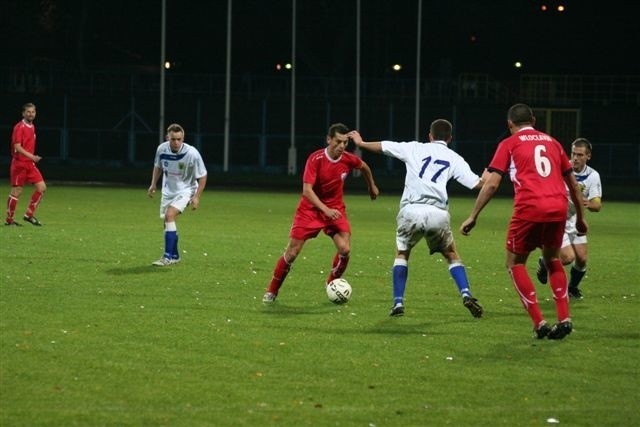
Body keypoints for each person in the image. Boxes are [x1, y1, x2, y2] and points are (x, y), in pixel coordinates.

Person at [460, 103, 587, 340]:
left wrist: (473, 215)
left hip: (529, 208)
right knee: (552, 259)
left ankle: (539, 322)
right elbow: (573, 186)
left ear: (510, 124)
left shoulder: (508, 143)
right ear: (534, 121)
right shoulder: (554, 143)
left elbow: (492, 183)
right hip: (558, 208)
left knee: (515, 263)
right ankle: (564, 317)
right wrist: (580, 218)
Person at [348, 119, 485, 318]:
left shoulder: (413, 148)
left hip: (411, 210)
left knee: (402, 254)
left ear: (429, 136)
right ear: (449, 138)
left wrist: (361, 144)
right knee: (451, 254)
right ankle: (466, 293)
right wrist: (490, 175)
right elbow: (477, 185)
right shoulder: (454, 158)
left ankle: (398, 303)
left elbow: (384, 147)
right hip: (438, 213)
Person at [262, 123, 379, 303]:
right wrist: (325, 210)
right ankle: (272, 291)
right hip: (310, 210)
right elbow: (307, 191)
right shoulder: (315, 159)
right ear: (328, 139)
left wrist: (371, 186)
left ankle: (332, 283)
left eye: (345, 143)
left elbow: (364, 166)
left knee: (345, 249)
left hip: (335, 209)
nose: (341, 146)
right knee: (292, 253)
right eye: (338, 141)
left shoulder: (348, 159)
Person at [536, 138, 602, 299]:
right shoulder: (559, 167)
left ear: (588, 156)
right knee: (567, 257)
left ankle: (572, 287)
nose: (575, 158)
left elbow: (597, 205)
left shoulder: (593, 176)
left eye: (580, 154)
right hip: (556, 219)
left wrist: (587, 203)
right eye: (573, 153)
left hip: (575, 219)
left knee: (582, 259)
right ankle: (545, 262)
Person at [147, 123, 207, 266]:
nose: (176, 142)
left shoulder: (192, 153)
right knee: (167, 223)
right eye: (173, 139)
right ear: (168, 137)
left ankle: (167, 257)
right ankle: (175, 255)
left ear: (183, 138)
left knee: (169, 216)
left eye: (179, 139)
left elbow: (203, 176)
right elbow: (158, 166)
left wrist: (197, 196)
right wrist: (153, 183)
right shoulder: (162, 149)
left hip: (187, 189)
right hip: (168, 191)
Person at [5, 102, 46, 226]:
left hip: (29, 164)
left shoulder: (32, 126)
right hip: (19, 164)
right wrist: (32, 156)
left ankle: (29, 215)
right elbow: (17, 146)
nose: (31, 114)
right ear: (23, 113)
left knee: (42, 187)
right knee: (16, 191)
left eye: (33, 112)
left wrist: (31, 158)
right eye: (28, 112)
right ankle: (9, 220)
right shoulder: (19, 127)